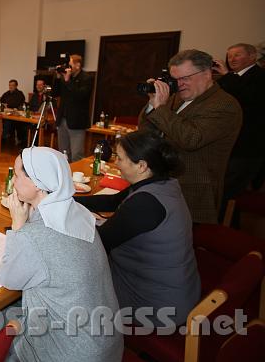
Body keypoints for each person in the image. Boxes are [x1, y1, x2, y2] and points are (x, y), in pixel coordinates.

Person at [0, 147, 123, 362]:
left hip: (68, 354)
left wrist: (18, 225)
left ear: (38, 183)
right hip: (104, 344)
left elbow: (8, 279)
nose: (12, 180)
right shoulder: (80, 214)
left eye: (17, 174)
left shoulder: (34, 236)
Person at [75, 130, 200, 327]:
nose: (116, 163)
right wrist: (68, 201)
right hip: (177, 288)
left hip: (157, 304)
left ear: (142, 166)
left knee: (74, 282)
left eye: (121, 159)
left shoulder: (145, 204)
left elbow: (96, 245)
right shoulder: (162, 182)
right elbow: (113, 201)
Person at [138, 49, 242, 224]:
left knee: (183, 247)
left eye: (185, 78)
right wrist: (152, 102)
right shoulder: (176, 98)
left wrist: (161, 108)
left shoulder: (225, 105)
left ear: (207, 74)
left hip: (193, 192)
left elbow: (191, 139)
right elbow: (147, 132)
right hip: (162, 185)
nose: (179, 85)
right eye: (175, 79)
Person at [212, 43, 265, 213]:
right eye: (229, 56)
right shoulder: (232, 78)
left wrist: (227, 76)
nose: (232, 59)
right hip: (230, 143)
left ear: (252, 56)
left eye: (237, 55)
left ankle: (215, 230)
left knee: (226, 191)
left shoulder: (260, 77)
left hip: (248, 146)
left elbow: (248, 102)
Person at [52, 54, 93, 161]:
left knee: (76, 155)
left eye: (70, 65)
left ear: (78, 65)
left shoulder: (86, 78)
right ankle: (65, 176)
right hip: (62, 120)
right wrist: (57, 78)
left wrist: (67, 81)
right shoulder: (66, 77)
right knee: (63, 154)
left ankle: (76, 177)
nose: (68, 68)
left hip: (77, 122)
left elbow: (79, 96)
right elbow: (54, 93)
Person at [0, 79, 27, 146]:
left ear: (16, 86)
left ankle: (4, 137)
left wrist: (8, 105)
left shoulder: (19, 93)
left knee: (7, 121)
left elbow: (17, 104)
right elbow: (1, 100)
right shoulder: (7, 93)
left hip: (16, 115)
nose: (11, 87)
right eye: (10, 85)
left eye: (12, 85)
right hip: (6, 113)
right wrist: (4, 104)